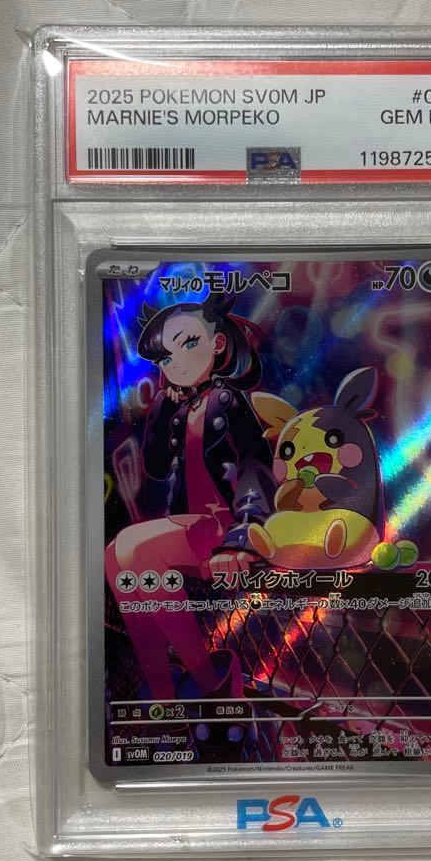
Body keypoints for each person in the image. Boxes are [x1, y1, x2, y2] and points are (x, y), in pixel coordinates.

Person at [104, 291, 275, 701]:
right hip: (194, 525)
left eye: (189, 343)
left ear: (217, 344)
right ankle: (162, 690)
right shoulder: (179, 411)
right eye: (165, 358)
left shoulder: (228, 401)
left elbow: (256, 461)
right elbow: (155, 466)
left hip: (224, 525)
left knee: (132, 548)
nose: (175, 363)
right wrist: (163, 410)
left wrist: (245, 530)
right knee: (113, 557)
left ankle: (209, 679)